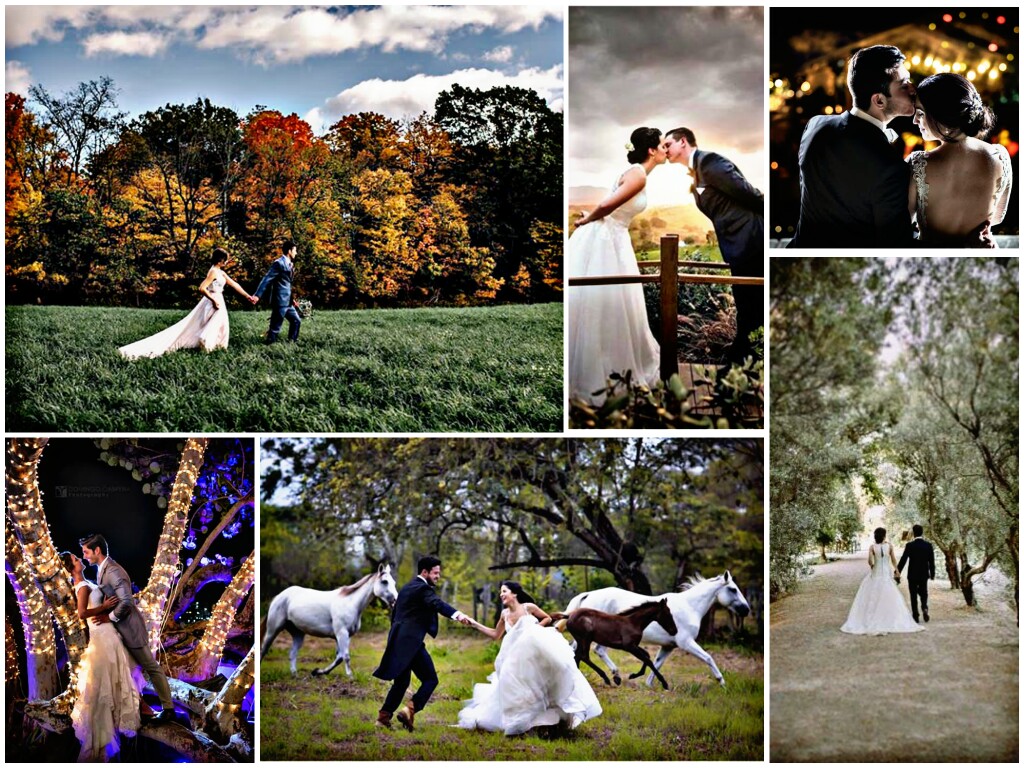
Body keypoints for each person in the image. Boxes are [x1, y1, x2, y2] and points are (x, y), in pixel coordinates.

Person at [567, 127, 666, 404]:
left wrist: (593, 214)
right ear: (651, 150)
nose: (665, 150)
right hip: (607, 240)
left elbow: (610, 205)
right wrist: (589, 219)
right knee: (607, 303)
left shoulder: (640, 173)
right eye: (662, 145)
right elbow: (609, 205)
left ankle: (613, 365)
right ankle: (599, 376)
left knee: (618, 304)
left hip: (616, 238)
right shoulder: (638, 173)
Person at [789, 45, 917, 248]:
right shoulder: (890, 166)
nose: (912, 88)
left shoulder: (815, 126)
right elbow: (895, 244)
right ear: (879, 100)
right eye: (903, 84)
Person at [664, 127, 763, 361]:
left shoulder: (709, 161)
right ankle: (744, 366)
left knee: (751, 309)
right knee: (748, 309)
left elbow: (748, 193)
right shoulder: (695, 173)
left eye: (668, 144)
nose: (664, 149)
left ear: (683, 142)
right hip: (737, 249)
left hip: (751, 242)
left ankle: (739, 368)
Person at [457, 581, 602, 736]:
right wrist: (474, 624)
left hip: (534, 655)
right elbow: (495, 635)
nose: (501, 594)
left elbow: (546, 618)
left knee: (543, 685)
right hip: (513, 657)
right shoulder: (504, 614)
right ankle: (525, 723)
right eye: (500, 592)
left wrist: (534, 631)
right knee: (517, 689)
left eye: (504, 591)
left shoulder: (528, 608)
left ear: (514, 593)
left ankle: (549, 724)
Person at [79, 534, 178, 722]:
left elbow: (126, 602)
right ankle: (137, 707)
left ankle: (169, 709)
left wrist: (108, 617)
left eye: (86, 552)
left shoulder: (114, 571)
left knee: (151, 666)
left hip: (130, 630)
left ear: (97, 550)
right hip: (118, 632)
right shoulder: (102, 569)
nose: (84, 556)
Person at [907, 73, 1013, 247]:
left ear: (941, 115)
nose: (915, 120)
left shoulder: (917, 164)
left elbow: (901, 223)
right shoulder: (999, 156)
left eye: (920, 113)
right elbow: (997, 217)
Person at [372, 556, 472, 731]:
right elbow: (437, 604)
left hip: (398, 640)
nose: (438, 576)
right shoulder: (422, 589)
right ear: (424, 572)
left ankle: (383, 718)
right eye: (435, 573)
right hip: (410, 643)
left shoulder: (406, 588)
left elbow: (396, 615)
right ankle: (409, 710)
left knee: (401, 683)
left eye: (438, 573)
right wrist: (458, 615)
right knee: (430, 679)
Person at [60, 551, 142, 761]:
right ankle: (100, 743)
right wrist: (104, 607)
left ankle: (120, 721)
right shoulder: (82, 586)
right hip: (101, 635)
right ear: (71, 567)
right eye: (76, 560)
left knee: (116, 675)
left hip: (107, 632)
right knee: (106, 682)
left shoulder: (88, 582)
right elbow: (82, 613)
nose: (80, 560)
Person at [119, 248, 254, 359]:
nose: (227, 262)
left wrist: (248, 296)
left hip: (219, 299)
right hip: (214, 300)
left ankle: (216, 347)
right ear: (220, 260)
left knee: (221, 324)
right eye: (226, 259)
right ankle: (208, 347)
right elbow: (202, 288)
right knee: (214, 324)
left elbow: (234, 284)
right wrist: (213, 300)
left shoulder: (221, 272)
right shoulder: (213, 271)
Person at [840, 527, 923, 635]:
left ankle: (871, 620)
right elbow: (893, 560)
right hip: (886, 576)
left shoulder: (872, 547)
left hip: (875, 574)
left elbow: (870, 562)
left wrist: (873, 563)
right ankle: (888, 619)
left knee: (871, 598)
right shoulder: (889, 546)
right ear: (884, 536)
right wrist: (897, 571)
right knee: (890, 597)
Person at [252, 240, 301, 343]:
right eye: (295, 250)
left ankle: (292, 343)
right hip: (279, 300)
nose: (296, 253)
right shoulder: (278, 263)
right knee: (275, 327)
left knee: (296, 321)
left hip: (288, 302)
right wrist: (257, 295)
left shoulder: (290, 264)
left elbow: (288, 285)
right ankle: (269, 345)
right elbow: (267, 279)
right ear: (289, 251)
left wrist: (292, 300)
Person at [897, 524, 936, 623]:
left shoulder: (910, 545)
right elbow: (931, 561)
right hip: (923, 574)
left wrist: (897, 571)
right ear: (922, 533)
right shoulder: (928, 545)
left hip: (912, 574)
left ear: (913, 533)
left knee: (913, 594)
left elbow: (903, 560)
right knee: (924, 591)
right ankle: (924, 607)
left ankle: (915, 615)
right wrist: (932, 573)